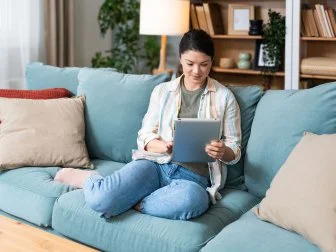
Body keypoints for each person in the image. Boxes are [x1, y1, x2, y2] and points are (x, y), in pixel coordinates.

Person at [54, 29, 241, 220]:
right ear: (180, 59)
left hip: (193, 179)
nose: (196, 71)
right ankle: (90, 180)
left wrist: (222, 151)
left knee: (194, 201)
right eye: (190, 63)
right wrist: (163, 146)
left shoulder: (224, 97)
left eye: (204, 65)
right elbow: (144, 134)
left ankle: (136, 202)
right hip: (155, 164)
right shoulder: (162, 91)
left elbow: (234, 147)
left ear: (212, 62)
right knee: (101, 200)